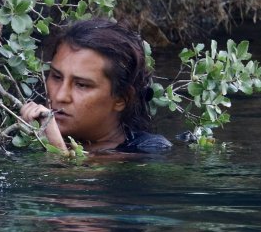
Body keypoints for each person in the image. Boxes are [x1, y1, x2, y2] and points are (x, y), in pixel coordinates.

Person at [19, 17, 171, 154]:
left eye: (81, 85)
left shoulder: (148, 150)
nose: (60, 96)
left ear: (121, 98)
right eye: (56, 77)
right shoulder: (22, 136)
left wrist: (56, 147)